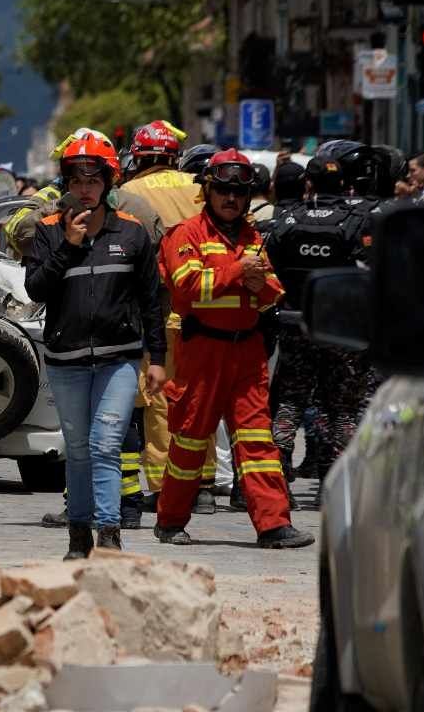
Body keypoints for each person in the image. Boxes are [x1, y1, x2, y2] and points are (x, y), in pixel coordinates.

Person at [154, 149, 313, 549]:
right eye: (223, 190)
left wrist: (262, 287)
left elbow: (272, 293)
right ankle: (170, 521)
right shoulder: (185, 234)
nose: (231, 199)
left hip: (247, 353)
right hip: (202, 352)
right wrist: (239, 272)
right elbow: (187, 290)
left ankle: (274, 525)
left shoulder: (252, 237)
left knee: (258, 442)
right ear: (208, 191)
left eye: (239, 193)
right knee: (191, 439)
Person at [23, 132, 166, 557]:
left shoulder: (133, 234)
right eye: (76, 179)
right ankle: (78, 535)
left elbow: (151, 300)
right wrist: (67, 247)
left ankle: (110, 534)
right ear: (66, 183)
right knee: (79, 449)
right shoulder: (47, 232)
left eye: (93, 179)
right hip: (65, 362)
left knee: (106, 444)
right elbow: (35, 290)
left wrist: (156, 359)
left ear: (108, 182)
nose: (85, 188)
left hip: (117, 360)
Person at [263, 144, 372, 510]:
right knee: (342, 409)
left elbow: (268, 270)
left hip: (296, 326)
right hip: (341, 332)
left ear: (309, 183)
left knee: (289, 404)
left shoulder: (288, 219)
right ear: (345, 183)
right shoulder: (358, 220)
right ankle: (335, 486)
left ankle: (278, 482)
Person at [119, 120, 215, 515]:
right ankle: (204, 482)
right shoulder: (199, 188)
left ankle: (163, 484)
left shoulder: (127, 194)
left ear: (139, 157)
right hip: (205, 305)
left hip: (155, 309)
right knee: (200, 395)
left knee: (160, 400)